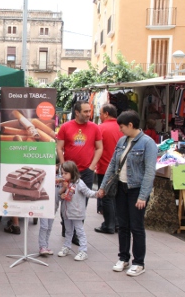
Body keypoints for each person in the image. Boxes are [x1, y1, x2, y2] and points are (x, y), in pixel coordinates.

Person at [98, 110, 157, 277]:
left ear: (131, 125)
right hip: (121, 189)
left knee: (136, 227)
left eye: (122, 126)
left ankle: (139, 263)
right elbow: (112, 165)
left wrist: (143, 196)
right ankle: (123, 258)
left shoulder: (148, 143)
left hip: (136, 189)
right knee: (122, 225)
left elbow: (149, 172)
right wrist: (103, 187)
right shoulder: (122, 141)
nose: (120, 130)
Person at [56, 100, 103, 243]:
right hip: (69, 172)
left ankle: (76, 233)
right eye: (86, 111)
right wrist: (64, 167)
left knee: (82, 202)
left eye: (90, 111)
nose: (89, 114)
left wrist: (92, 166)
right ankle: (66, 225)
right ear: (77, 112)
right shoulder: (65, 127)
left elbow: (99, 148)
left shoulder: (95, 128)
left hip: (86, 171)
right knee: (65, 198)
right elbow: (59, 147)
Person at [58, 161, 100, 261]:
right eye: (62, 173)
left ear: (72, 172)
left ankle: (83, 250)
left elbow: (88, 192)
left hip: (76, 212)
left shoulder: (79, 183)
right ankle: (67, 247)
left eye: (65, 173)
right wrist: (62, 194)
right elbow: (60, 195)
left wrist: (98, 194)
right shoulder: (64, 183)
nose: (63, 175)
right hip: (66, 212)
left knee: (79, 231)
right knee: (68, 231)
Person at [95, 104, 123, 234]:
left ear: (106, 114)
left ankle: (109, 225)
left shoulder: (100, 128)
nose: (99, 116)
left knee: (106, 197)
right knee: (118, 197)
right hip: (122, 169)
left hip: (105, 167)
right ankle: (117, 223)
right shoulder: (122, 127)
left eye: (100, 114)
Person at [38, 156, 61, 254]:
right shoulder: (44, 175)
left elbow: (60, 193)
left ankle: (46, 245)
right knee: (44, 226)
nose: (55, 167)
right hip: (43, 205)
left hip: (53, 207)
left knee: (49, 226)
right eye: (53, 165)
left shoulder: (61, 177)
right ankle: (42, 246)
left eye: (57, 165)